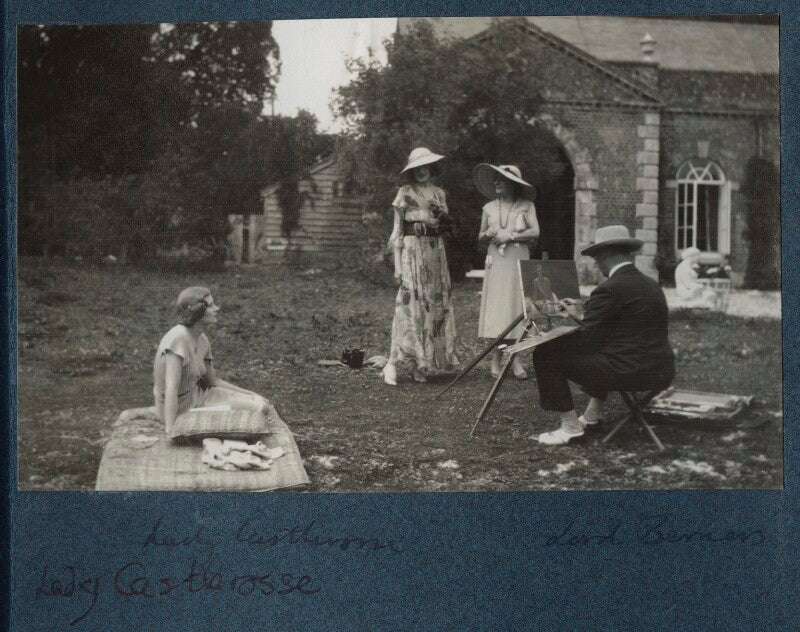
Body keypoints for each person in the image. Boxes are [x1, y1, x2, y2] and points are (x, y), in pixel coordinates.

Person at [530, 225, 675, 446]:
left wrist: (550, 338)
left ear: (605, 254)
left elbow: (588, 340)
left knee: (545, 353)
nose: (597, 264)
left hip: (630, 372)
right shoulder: (651, 284)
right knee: (607, 349)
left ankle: (570, 429)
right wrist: (579, 315)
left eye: (596, 258)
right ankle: (592, 417)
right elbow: (619, 330)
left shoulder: (610, 287)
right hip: (661, 371)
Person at [382, 147, 460, 385]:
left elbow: (445, 225)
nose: (422, 171)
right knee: (408, 305)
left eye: (426, 166)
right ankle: (396, 363)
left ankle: (422, 364)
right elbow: (397, 230)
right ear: (412, 171)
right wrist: (397, 264)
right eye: (417, 167)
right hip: (411, 251)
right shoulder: (405, 192)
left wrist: (442, 220)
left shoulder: (439, 193)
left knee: (432, 305)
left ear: (431, 168)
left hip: (435, 252)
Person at [153, 286, 268, 432]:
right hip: (178, 409)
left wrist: (250, 393)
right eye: (211, 305)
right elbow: (171, 388)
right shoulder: (178, 339)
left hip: (198, 397)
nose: (217, 308)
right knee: (257, 409)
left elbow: (214, 382)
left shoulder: (202, 339)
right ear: (198, 311)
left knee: (260, 403)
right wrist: (170, 429)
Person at [474, 163, 540, 379]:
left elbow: (535, 232)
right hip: (497, 261)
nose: (496, 182)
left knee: (515, 307)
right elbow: (480, 237)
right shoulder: (488, 207)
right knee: (499, 309)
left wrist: (510, 236)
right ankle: (497, 358)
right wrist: (488, 234)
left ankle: (515, 359)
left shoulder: (527, 205)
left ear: (513, 184)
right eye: (495, 179)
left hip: (517, 257)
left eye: (501, 179)